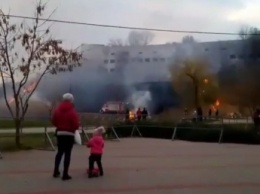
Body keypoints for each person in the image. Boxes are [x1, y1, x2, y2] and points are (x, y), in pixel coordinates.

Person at [52, 93, 79, 181]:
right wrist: (74, 127)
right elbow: (75, 124)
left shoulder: (57, 109)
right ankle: (65, 174)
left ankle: (55, 171)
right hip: (69, 134)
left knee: (59, 152)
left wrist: (59, 126)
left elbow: (54, 121)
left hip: (60, 133)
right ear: (72, 100)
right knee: (67, 153)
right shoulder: (72, 111)